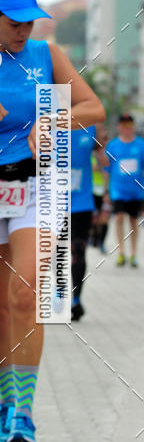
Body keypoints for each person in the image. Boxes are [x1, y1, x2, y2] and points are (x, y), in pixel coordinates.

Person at [0, 0, 105, 442]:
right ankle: (4, 400)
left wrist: (52, 118)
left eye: (31, 21)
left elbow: (93, 107)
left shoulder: (47, 55)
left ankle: (24, 413)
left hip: (36, 188)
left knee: (26, 296)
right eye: (14, 21)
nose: (25, 30)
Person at [70, 126, 107, 320]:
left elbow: (105, 160)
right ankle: (56, 296)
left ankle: (76, 299)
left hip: (82, 203)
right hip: (51, 202)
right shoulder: (46, 122)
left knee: (78, 250)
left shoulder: (90, 129)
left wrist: (102, 153)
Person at [105, 114, 144, 267]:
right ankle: (121, 252)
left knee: (134, 221)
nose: (127, 129)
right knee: (119, 218)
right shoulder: (113, 146)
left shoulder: (141, 145)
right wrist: (107, 192)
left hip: (136, 191)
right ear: (119, 127)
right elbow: (107, 169)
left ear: (133, 127)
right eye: (124, 126)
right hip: (118, 190)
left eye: (130, 126)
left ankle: (133, 254)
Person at [90, 125, 111, 252]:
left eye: (105, 139)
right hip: (92, 191)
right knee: (94, 219)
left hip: (106, 191)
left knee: (104, 219)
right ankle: (93, 239)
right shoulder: (91, 152)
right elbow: (92, 168)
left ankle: (101, 242)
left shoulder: (110, 154)